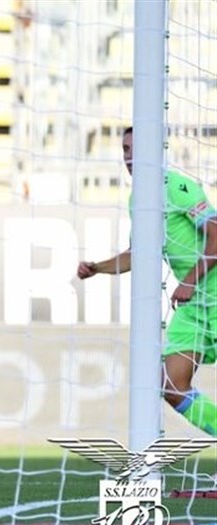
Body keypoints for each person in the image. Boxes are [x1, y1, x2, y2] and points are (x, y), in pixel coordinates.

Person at [77, 126, 216, 435]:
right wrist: (97, 268)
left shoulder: (178, 187)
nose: (129, 157)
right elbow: (138, 254)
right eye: (125, 150)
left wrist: (189, 281)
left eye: (136, 149)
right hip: (196, 304)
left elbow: (216, 236)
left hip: (209, 290)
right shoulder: (137, 200)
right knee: (171, 385)